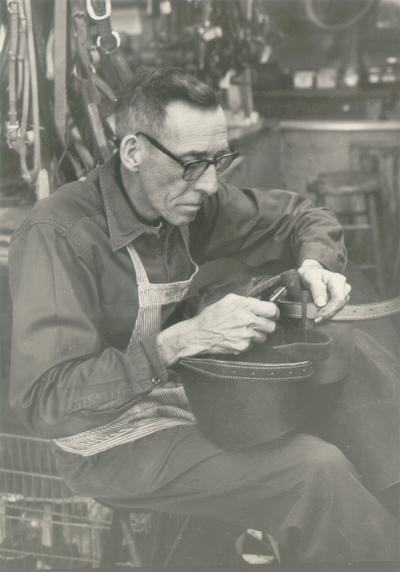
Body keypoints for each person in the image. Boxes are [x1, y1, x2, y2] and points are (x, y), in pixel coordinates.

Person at [8, 67, 400, 562]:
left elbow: (301, 217)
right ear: (133, 153)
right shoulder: (59, 237)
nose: (211, 183)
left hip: (177, 394)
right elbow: (46, 403)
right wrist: (179, 341)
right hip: (105, 440)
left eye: (219, 161)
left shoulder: (185, 201)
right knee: (314, 469)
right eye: (193, 163)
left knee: (353, 368)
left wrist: (314, 265)